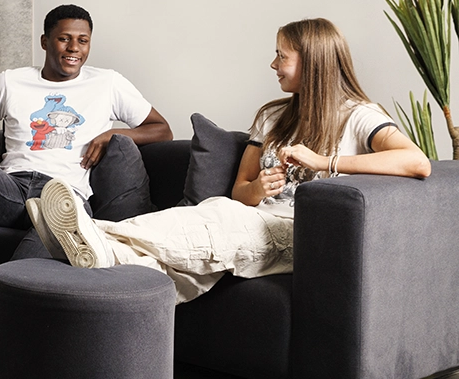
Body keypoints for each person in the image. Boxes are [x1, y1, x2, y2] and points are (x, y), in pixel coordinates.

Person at [37, 17, 431, 302]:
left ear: (312, 62)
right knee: (193, 249)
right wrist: (258, 188)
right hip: (249, 216)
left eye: (282, 57)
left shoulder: (359, 114)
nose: (273, 65)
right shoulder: (272, 116)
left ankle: (92, 235)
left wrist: (325, 162)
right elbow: (241, 193)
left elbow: (417, 163)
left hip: (299, 231)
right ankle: (98, 254)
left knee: (216, 224)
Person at [0, 4, 172, 370]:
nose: (74, 48)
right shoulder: (11, 80)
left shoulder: (108, 82)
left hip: (65, 198)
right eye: (64, 38)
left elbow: (162, 128)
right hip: (13, 187)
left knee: (55, 215)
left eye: (82, 41)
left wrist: (114, 132)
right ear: (45, 41)